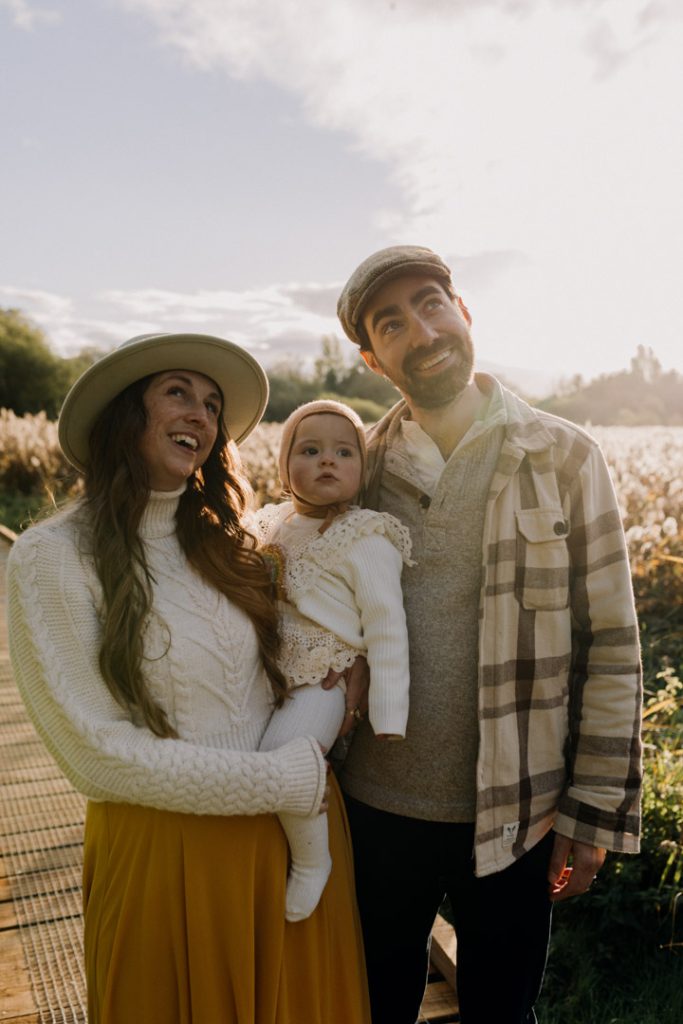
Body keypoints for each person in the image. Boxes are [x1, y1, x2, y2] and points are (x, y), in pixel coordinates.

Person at [6, 332, 371, 1024]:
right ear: (124, 414)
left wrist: (346, 668)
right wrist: (278, 782)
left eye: (211, 404)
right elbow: (92, 755)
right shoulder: (53, 557)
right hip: (166, 856)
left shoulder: (232, 542)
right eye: (177, 392)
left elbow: (312, 632)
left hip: (293, 844)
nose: (201, 416)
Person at [332, 246, 643, 1024]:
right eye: (392, 323)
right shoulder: (354, 469)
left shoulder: (564, 456)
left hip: (518, 812)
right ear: (374, 359)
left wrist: (592, 808)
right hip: (372, 811)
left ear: (463, 312)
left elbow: (611, 640)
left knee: (501, 1012)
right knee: (370, 1005)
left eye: (432, 303)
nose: (422, 330)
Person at [253, 399, 412, 922]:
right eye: (310, 450)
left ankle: (312, 860)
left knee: (285, 754)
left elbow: (387, 627)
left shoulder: (365, 535)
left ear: (361, 471)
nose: (327, 461)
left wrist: (388, 714)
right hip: (267, 671)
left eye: (344, 452)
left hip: (325, 677)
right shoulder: (270, 525)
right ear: (284, 467)